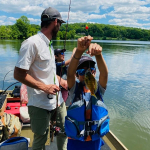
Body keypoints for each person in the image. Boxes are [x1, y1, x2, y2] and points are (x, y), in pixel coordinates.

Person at [14, 7, 67, 150]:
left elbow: (46, 72)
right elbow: (18, 74)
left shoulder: (49, 45)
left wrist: (60, 81)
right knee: (40, 138)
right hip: (39, 104)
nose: (60, 27)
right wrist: (45, 87)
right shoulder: (31, 43)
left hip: (57, 102)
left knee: (64, 131)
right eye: (60, 24)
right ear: (55, 22)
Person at [66, 35, 109, 150]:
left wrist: (98, 55)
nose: (86, 74)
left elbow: (104, 74)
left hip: (94, 141)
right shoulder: (74, 89)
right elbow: (69, 74)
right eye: (81, 71)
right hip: (76, 141)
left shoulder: (98, 90)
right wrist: (79, 51)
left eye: (91, 70)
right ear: (76, 74)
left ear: (95, 72)